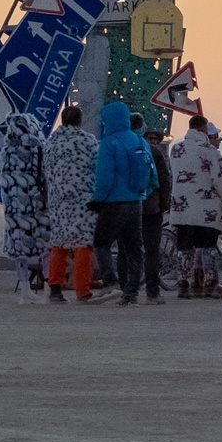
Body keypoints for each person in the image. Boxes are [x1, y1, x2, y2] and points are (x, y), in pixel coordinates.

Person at [86, 100, 156, 309]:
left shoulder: (109, 142)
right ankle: (131, 294)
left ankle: (111, 282)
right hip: (136, 203)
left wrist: (98, 199)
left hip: (114, 203)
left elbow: (105, 177)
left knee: (102, 242)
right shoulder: (140, 141)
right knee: (134, 248)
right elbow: (152, 177)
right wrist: (140, 194)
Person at [167, 114, 222, 298]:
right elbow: (221, 180)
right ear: (204, 129)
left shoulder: (176, 149)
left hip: (181, 209)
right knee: (208, 248)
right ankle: (210, 285)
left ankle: (182, 285)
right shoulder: (210, 152)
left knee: (184, 249)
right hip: (206, 210)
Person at [43, 103, 98, 303]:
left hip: (58, 200)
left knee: (58, 243)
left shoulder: (50, 143)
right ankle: (82, 290)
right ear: (79, 121)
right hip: (82, 200)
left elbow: (45, 170)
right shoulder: (88, 141)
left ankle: (55, 288)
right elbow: (97, 167)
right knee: (82, 244)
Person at [0, 112, 50, 305]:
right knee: (45, 246)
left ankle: (25, 290)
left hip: (14, 209)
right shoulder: (37, 147)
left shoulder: (7, 151)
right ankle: (48, 289)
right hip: (36, 205)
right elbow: (44, 176)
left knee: (19, 247)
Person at [138, 124, 173, 305]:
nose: (153, 141)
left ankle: (129, 291)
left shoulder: (128, 148)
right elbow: (165, 181)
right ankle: (152, 292)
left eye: (155, 138)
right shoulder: (157, 154)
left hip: (132, 206)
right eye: (150, 138)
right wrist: (164, 204)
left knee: (132, 250)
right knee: (152, 251)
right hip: (152, 208)